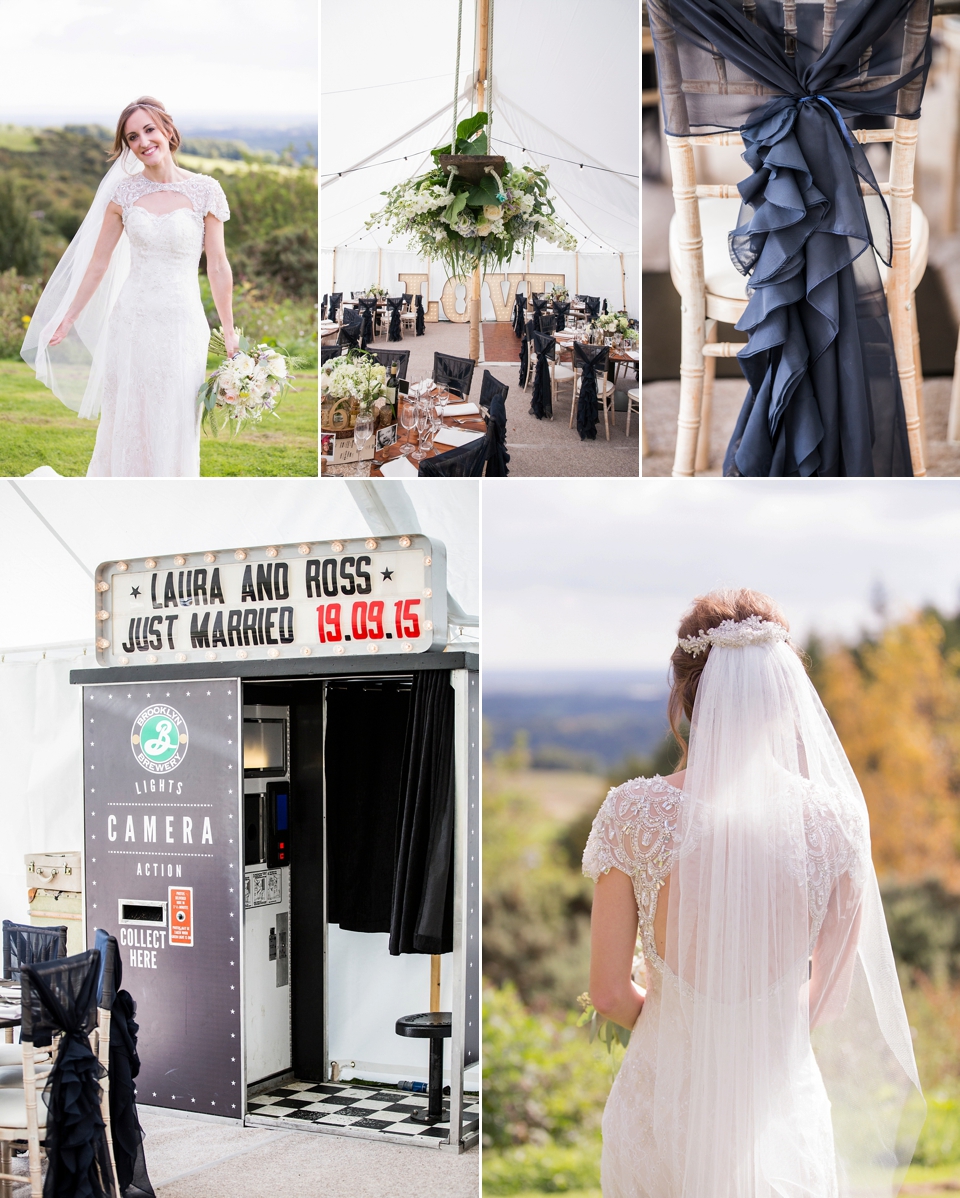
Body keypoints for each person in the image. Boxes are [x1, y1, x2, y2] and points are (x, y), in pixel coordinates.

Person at [583, 589, 924, 1198]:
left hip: (663, 1108)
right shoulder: (836, 821)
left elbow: (609, 992)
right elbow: (830, 1000)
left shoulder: (632, 813)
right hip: (780, 1112)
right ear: (781, 697)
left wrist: (680, 1027)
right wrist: (752, 1033)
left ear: (686, 696)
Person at [21, 97, 236, 476]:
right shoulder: (124, 194)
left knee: (175, 415)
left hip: (182, 324)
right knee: (129, 414)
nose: (143, 141)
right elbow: (98, 263)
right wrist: (67, 317)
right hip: (132, 320)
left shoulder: (206, 191)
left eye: (149, 130)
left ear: (168, 130)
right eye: (132, 136)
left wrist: (230, 331)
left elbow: (217, 266)